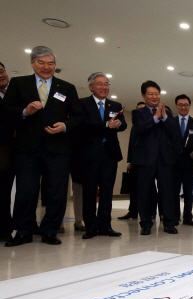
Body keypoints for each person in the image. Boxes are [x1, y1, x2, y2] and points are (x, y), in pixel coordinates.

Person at [4, 46, 83, 247]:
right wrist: (25, 111)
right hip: (27, 148)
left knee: (57, 190)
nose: (46, 67)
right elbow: (6, 111)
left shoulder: (66, 87)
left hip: (58, 149)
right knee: (26, 190)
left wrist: (65, 126)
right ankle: (23, 231)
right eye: (41, 62)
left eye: (51, 63)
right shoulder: (19, 83)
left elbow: (78, 116)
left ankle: (50, 231)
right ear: (32, 63)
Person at [79, 72, 126, 239]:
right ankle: (91, 227)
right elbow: (83, 125)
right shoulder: (82, 104)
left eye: (106, 84)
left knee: (107, 192)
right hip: (89, 155)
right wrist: (106, 124)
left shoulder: (115, 104)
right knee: (89, 192)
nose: (104, 87)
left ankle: (106, 225)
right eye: (100, 84)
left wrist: (119, 123)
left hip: (109, 154)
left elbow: (124, 124)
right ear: (91, 86)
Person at [132, 80, 181, 235]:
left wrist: (165, 118)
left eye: (157, 94)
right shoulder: (138, 112)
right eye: (151, 94)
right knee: (144, 192)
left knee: (167, 191)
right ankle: (146, 224)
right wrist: (154, 118)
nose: (154, 97)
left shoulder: (167, 111)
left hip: (164, 159)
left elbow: (174, 132)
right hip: (145, 159)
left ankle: (169, 223)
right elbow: (140, 129)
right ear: (143, 95)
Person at [172, 94, 193, 226]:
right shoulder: (170, 122)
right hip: (173, 163)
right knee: (174, 191)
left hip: (189, 163)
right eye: (180, 105)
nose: (183, 107)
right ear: (176, 106)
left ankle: (188, 217)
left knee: (188, 192)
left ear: (189, 106)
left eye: (186, 105)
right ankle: (175, 216)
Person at [118, 101, 146, 220]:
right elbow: (131, 144)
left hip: (149, 161)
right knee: (134, 188)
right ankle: (133, 211)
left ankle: (151, 213)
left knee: (150, 189)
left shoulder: (151, 124)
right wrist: (129, 161)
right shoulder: (135, 127)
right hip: (135, 161)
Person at [0, 62, 14, 242]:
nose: (1, 75)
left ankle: (5, 228)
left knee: (5, 191)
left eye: (2, 70)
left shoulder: (14, 95)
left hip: (12, 150)